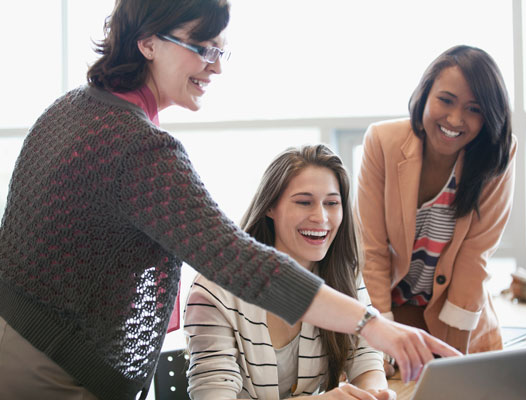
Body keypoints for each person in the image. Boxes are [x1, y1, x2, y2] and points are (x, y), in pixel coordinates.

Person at [0, 1, 459, 399]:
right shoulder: (137, 146)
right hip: (53, 365)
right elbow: (239, 260)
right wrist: (372, 324)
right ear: (147, 42)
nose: (215, 65)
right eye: (201, 47)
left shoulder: (72, 108)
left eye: (220, 50)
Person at [184, 144, 396, 400]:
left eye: (331, 203)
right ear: (270, 207)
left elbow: (365, 357)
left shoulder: (343, 276)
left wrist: (373, 393)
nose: (321, 217)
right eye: (304, 202)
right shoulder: (214, 290)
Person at [355, 45, 516, 374]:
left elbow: (475, 257)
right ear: (424, 94)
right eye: (446, 100)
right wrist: (380, 339)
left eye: (474, 108)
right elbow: (371, 250)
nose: (456, 119)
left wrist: (454, 356)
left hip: (457, 322)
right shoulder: (382, 142)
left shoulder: (496, 155)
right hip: (391, 317)